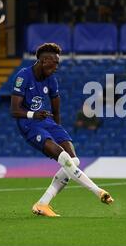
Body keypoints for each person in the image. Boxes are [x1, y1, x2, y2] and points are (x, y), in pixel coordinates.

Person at [10, 43, 114, 217]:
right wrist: (33, 116)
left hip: (47, 122)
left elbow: (56, 107)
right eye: (54, 63)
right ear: (43, 61)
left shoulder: (51, 79)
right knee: (64, 158)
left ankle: (42, 204)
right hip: (29, 124)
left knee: (74, 160)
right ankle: (98, 191)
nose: (57, 67)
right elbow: (14, 110)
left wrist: (57, 128)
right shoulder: (23, 76)